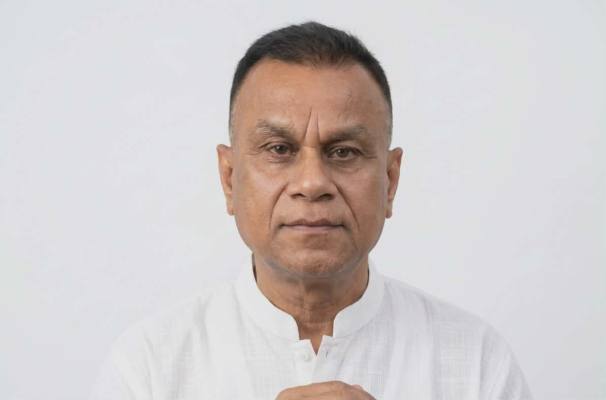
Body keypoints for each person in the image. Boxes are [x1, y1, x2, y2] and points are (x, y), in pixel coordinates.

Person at [90, 21, 532, 399]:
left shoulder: (475, 365)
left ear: (390, 180)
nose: (312, 183)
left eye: (344, 152)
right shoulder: (149, 368)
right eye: (278, 149)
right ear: (229, 178)